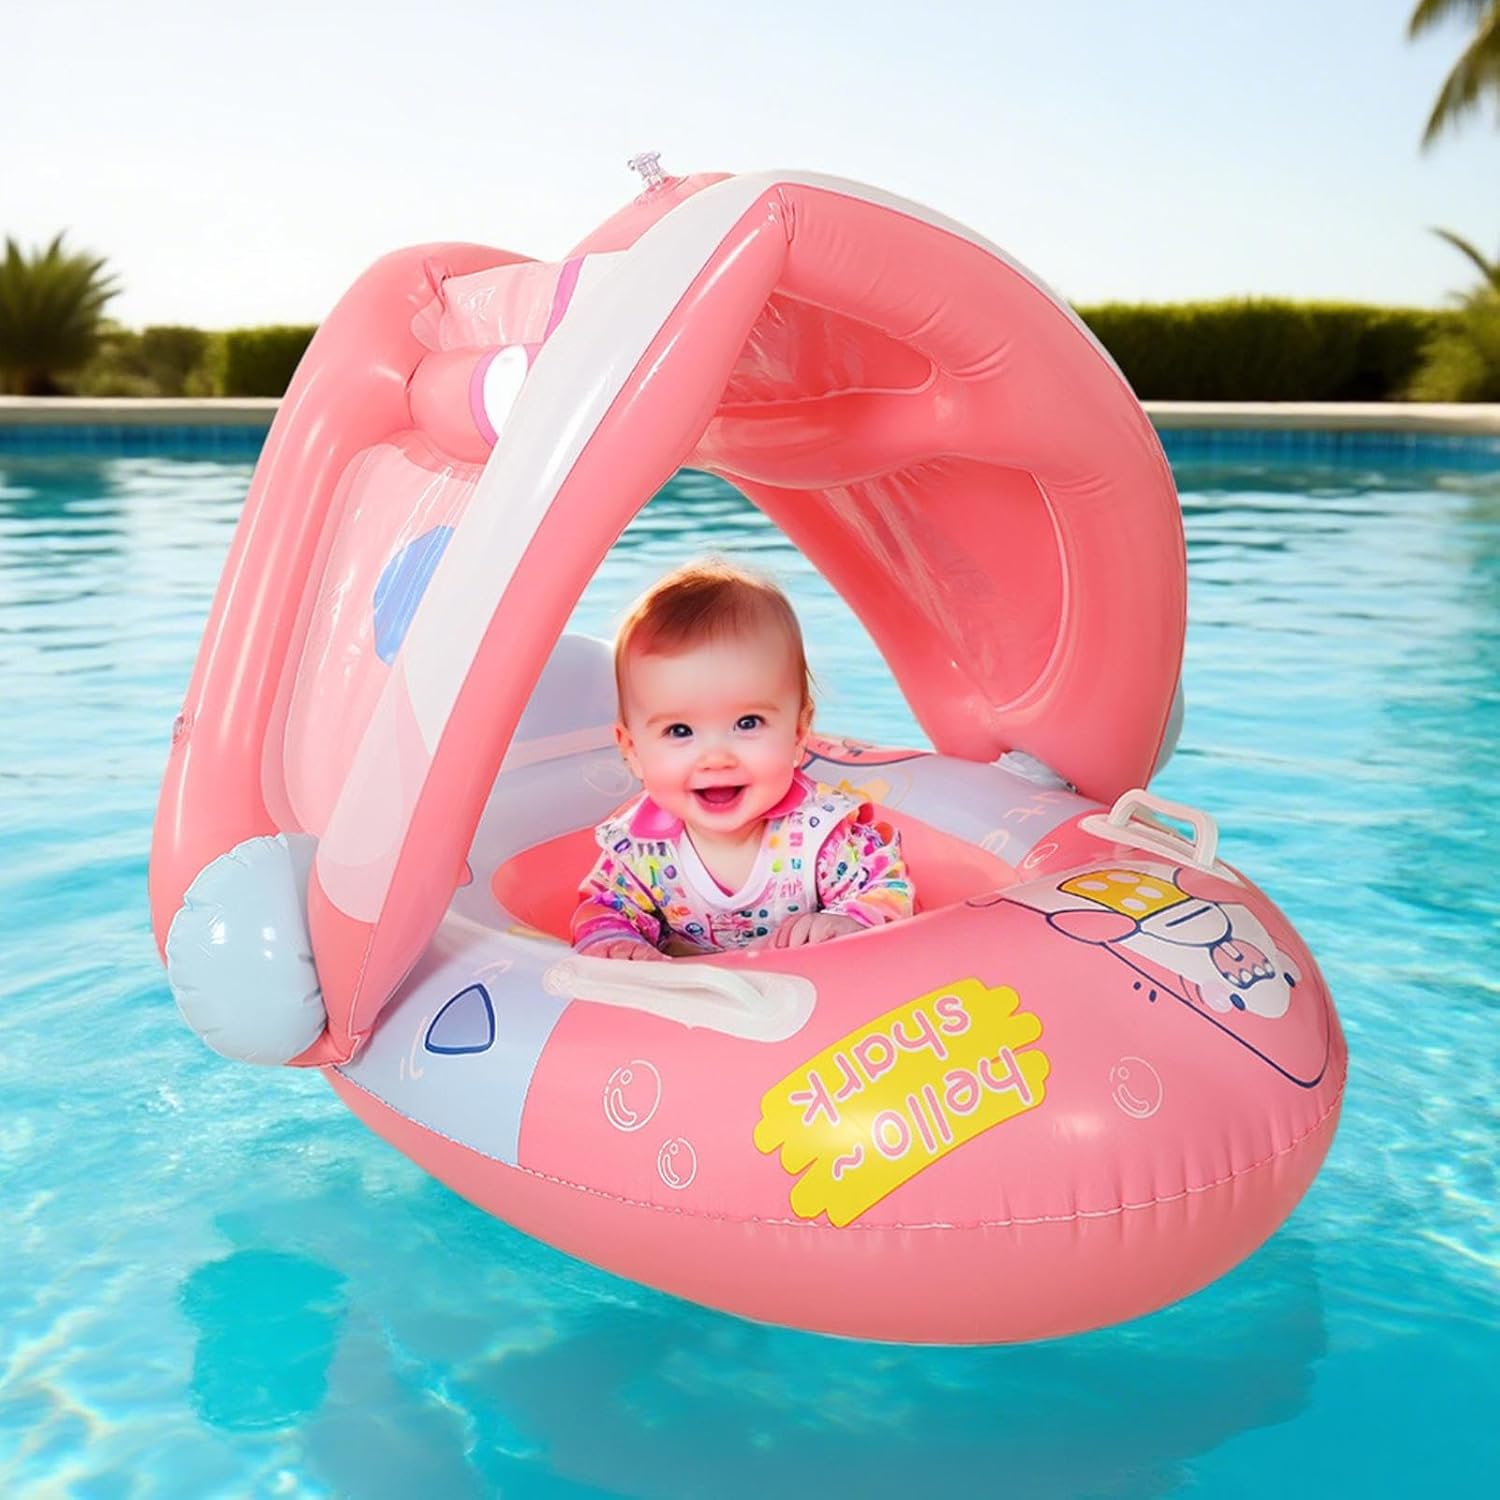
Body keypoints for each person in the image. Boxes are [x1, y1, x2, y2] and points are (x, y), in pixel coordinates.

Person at [570, 559, 914, 960]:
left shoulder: (820, 836)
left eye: (747, 723)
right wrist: (620, 946)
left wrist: (848, 920)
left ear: (798, 733)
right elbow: (602, 912)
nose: (716, 758)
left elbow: (886, 885)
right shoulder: (637, 852)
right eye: (679, 730)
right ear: (632, 750)